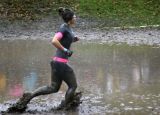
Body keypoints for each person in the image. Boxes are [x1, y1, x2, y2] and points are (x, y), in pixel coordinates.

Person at [8, 7, 80, 111]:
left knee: (53, 88)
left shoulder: (67, 27)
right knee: (73, 86)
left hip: (56, 63)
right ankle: (66, 108)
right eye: (74, 16)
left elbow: (64, 40)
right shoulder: (63, 28)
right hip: (61, 64)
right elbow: (54, 41)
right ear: (70, 18)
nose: (76, 17)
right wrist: (65, 50)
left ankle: (30, 96)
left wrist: (73, 39)